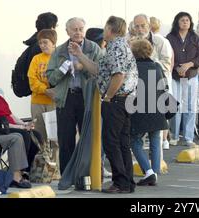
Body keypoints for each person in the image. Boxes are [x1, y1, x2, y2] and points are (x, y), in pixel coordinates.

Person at [70, 16, 138, 194]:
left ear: (110, 29)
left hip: (116, 100)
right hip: (125, 99)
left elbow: (118, 75)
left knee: (111, 142)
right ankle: (127, 182)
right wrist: (80, 55)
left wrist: (108, 97)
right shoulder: (119, 46)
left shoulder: (116, 48)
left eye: (105, 28)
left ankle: (120, 181)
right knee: (122, 141)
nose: (103, 33)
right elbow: (99, 70)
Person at [46, 18, 101, 175]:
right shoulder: (60, 51)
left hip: (87, 98)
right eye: (74, 29)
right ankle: (66, 175)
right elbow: (50, 78)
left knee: (89, 138)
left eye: (81, 29)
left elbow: (101, 72)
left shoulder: (93, 48)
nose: (78, 32)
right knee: (65, 139)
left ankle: (88, 174)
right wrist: (63, 69)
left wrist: (82, 67)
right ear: (67, 31)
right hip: (66, 98)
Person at [130, 39, 169, 186]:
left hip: (139, 109)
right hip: (157, 108)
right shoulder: (157, 66)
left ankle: (148, 172)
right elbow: (164, 87)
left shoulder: (133, 67)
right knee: (155, 139)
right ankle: (155, 171)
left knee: (135, 141)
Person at [132, 14, 173, 150]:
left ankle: (161, 146)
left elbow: (167, 63)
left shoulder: (160, 41)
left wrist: (148, 65)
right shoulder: (129, 41)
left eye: (142, 25)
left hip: (158, 82)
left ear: (149, 26)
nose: (139, 29)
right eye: (136, 26)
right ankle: (141, 152)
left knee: (158, 120)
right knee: (139, 118)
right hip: (138, 86)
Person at [166, 12, 199, 147]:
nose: (185, 22)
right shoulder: (170, 38)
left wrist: (189, 64)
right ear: (177, 22)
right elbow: (167, 56)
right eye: (182, 20)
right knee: (176, 105)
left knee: (190, 106)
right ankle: (175, 135)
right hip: (176, 76)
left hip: (191, 76)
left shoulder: (194, 37)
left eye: (187, 20)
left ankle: (188, 137)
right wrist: (177, 67)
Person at [27, 29, 60, 178]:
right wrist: (46, 90)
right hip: (38, 101)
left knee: (55, 137)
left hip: (54, 103)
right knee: (40, 136)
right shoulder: (36, 59)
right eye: (40, 43)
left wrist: (54, 92)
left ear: (53, 43)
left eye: (45, 42)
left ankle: (56, 169)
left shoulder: (59, 57)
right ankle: (44, 168)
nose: (42, 45)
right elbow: (32, 81)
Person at [84, 27, 113, 179]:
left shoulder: (99, 53)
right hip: (95, 99)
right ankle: (97, 166)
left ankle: (99, 165)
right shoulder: (98, 54)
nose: (105, 42)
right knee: (97, 134)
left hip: (96, 98)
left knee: (97, 134)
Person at [14, 12, 58, 97]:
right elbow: (40, 75)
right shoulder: (41, 48)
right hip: (41, 95)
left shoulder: (34, 43)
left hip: (34, 91)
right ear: (52, 27)